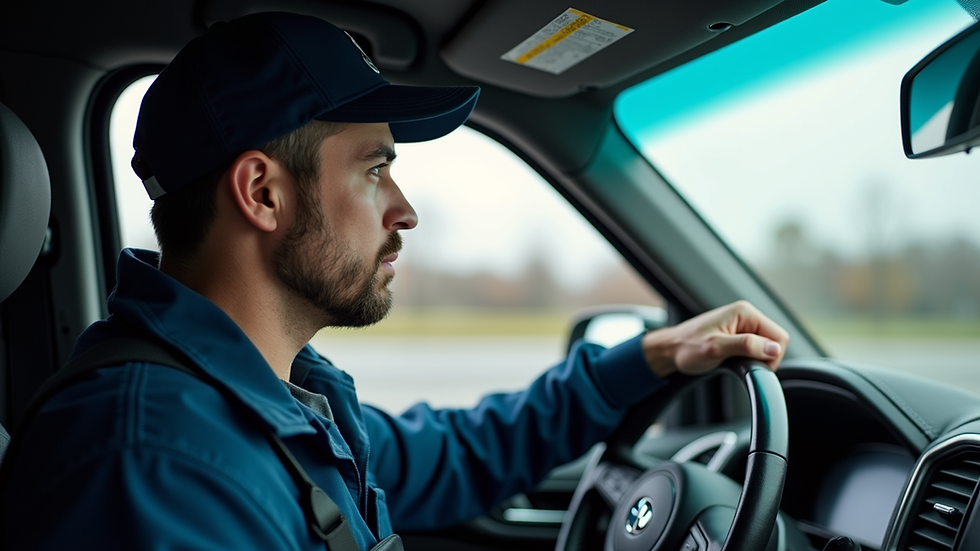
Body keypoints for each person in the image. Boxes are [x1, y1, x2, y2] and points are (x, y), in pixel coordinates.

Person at [0, 12, 790, 550]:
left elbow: (463, 452)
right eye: (376, 169)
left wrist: (648, 357)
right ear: (263, 192)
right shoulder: (151, 461)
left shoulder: (279, 394)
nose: (405, 210)